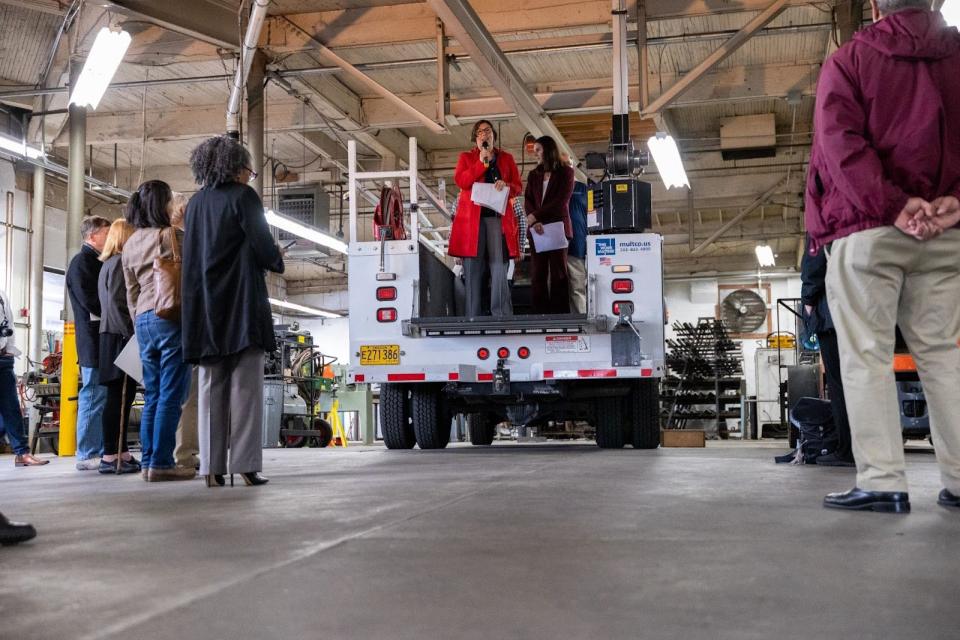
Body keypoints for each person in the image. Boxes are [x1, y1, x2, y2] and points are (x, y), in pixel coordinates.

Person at [805, 0, 960, 513]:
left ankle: (883, 481)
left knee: (866, 356)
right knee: (944, 356)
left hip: (867, 229)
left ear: (875, 5)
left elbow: (839, 145)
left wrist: (893, 206)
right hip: (945, 227)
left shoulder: (850, 60)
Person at [181, 136, 284, 488]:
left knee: (210, 387)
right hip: (242, 303)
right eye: (248, 169)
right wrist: (276, 258)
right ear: (237, 168)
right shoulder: (244, 197)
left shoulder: (195, 204)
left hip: (206, 307)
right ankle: (245, 464)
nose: (249, 176)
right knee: (245, 388)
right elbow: (262, 244)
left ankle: (211, 467)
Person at [122, 180, 194, 482]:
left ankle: (149, 462)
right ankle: (163, 462)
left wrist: (140, 322)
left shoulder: (131, 242)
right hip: (171, 317)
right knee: (171, 395)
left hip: (143, 321)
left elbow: (131, 291)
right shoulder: (171, 236)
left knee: (152, 394)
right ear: (163, 205)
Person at [449, 120, 523, 317]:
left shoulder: (506, 158)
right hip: (473, 221)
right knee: (473, 268)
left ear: (493, 136)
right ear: (476, 138)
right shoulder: (466, 157)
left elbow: (518, 187)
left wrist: (506, 185)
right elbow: (462, 181)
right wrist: (482, 163)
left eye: (487, 131)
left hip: (497, 218)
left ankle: (501, 314)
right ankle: (473, 315)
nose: (484, 134)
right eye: (480, 132)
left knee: (499, 267)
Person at [799, 235, 854, 467]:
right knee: (865, 381)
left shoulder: (826, 215)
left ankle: (847, 451)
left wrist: (808, 300)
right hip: (868, 310)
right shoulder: (871, 212)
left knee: (840, 384)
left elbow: (815, 262)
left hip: (834, 313)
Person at [96, 219, 141, 474]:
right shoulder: (120, 263)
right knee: (117, 397)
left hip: (112, 334)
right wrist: (130, 333)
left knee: (124, 396)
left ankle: (120, 451)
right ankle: (111, 454)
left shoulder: (108, 264)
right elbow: (116, 302)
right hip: (119, 335)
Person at [65, 215, 111, 470]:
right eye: (106, 233)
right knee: (93, 394)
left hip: (103, 339)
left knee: (101, 396)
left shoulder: (97, 262)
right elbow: (91, 301)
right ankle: (87, 452)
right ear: (92, 236)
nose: (110, 238)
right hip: (92, 341)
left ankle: (101, 449)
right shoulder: (82, 263)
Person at [524, 136, 575, 314]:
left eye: (538, 150)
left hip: (557, 228)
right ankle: (540, 314)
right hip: (537, 229)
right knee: (538, 273)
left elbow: (561, 201)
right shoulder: (533, 175)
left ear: (548, 149)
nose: (535, 154)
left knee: (558, 273)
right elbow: (528, 200)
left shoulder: (566, 172)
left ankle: (560, 314)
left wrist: (536, 216)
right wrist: (535, 220)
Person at [0, 288, 48, 467]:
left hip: (4, 359)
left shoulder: (2, 295)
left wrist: (9, 351)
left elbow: (9, 325)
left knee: (12, 409)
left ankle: (22, 453)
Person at [170, 192, 200, 472]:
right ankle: (184, 455)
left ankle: (158, 455)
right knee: (189, 397)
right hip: (184, 325)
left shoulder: (151, 240)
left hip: (152, 327)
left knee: (161, 395)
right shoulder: (187, 243)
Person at [567, 179, 588, 314]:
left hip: (577, 246)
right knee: (556, 288)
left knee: (577, 287)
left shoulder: (583, 189)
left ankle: (581, 322)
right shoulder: (552, 187)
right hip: (554, 246)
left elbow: (593, 215)